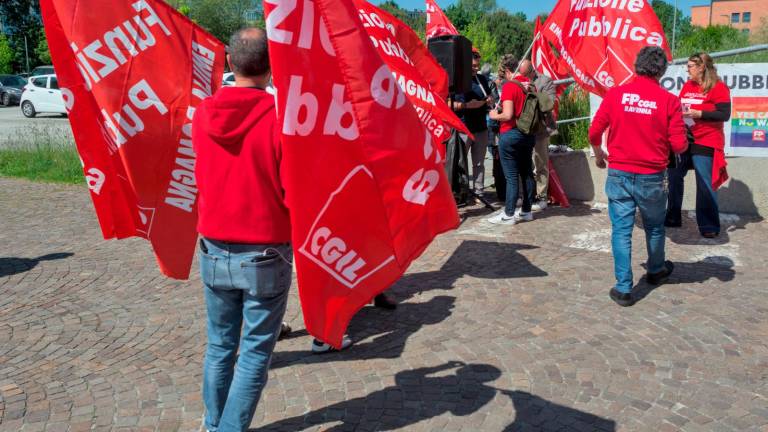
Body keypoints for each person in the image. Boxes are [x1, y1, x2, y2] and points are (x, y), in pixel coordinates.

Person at [193, 27, 296, 431]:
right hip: (265, 252)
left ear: (230, 63)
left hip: (214, 248)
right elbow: (292, 189)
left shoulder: (203, 113)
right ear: (272, 68)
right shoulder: (280, 120)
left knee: (220, 346)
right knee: (253, 353)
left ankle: (212, 424)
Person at [588, 46, 688, 307]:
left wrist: (599, 154)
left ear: (636, 65)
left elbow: (594, 132)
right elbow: (679, 145)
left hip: (619, 173)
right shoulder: (669, 101)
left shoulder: (616, 95)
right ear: (662, 71)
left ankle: (623, 289)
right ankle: (655, 271)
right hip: (652, 175)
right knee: (655, 226)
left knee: (621, 230)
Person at [666, 52, 731, 238]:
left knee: (704, 183)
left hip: (706, 140)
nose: (687, 69)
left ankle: (709, 225)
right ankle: (672, 216)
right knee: (673, 175)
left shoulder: (719, 88)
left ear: (702, 67)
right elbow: (680, 106)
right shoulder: (688, 85)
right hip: (684, 138)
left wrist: (699, 114)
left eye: (690, 66)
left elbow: (724, 114)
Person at [486, 54, 536, 225]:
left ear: (508, 71)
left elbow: (507, 115)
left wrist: (494, 114)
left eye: (502, 74)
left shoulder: (510, 86)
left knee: (511, 177)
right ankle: (527, 211)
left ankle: (508, 214)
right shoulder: (530, 85)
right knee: (527, 174)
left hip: (511, 134)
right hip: (528, 134)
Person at [452, 48, 493, 196]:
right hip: (464, 128)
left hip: (481, 127)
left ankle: (478, 192)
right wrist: (467, 105)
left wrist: (489, 100)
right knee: (460, 163)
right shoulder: (457, 81)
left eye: (477, 65)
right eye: (473, 66)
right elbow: (450, 104)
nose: (476, 69)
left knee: (479, 163)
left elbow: (489, 97)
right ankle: (461, 192)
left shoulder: (481, 79)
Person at [518, 59, 557, 212]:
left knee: (541, 163)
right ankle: (525, 195)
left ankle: (542, 197)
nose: (524, 78)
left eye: (526, 75)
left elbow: (549, 103)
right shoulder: (518, 81)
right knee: (525, 163)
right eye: (522, 75)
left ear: (532, 71)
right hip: (524, 129)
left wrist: (531, 91)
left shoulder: (545, 81)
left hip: (541, 129)